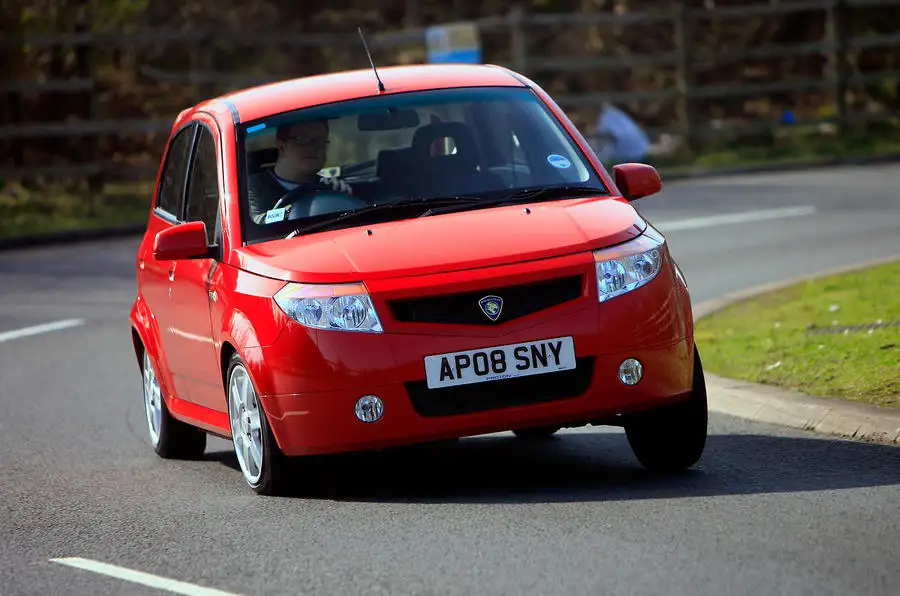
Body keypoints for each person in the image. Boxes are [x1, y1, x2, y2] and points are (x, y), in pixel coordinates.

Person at [246, 119, 353, 224]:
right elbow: (258, 224)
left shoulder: (328, 187)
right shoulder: (252, 188)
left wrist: (342, 199)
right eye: (302, 140)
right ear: (282, 146)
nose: (313, 147)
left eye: (320, 140)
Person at [592, 102, 652, 167]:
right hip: (639, 152)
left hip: (631, 156)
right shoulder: (612, 114)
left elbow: (605, 147)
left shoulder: (606, 119)